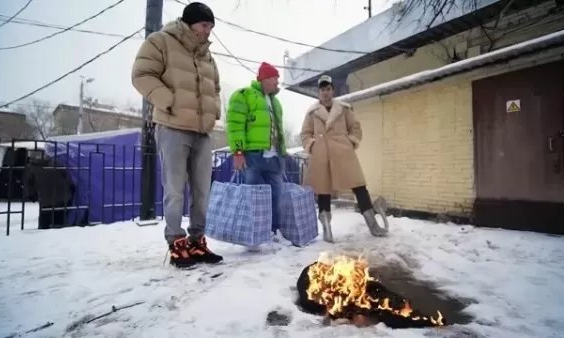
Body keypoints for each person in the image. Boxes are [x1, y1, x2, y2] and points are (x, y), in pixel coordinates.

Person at [131, 2, 223, 268]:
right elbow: (141, 74)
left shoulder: (207, 56)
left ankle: (197, 241)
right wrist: (168, 101)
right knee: (175, 189)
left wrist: (214, 111)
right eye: (205, 26)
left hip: (202, 132)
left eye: (210, 27)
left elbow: (215, 87)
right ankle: (176, 242)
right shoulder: (161, 41)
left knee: (202, 191)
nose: (208, 32)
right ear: (190, 23)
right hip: (172, 128)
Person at [300, 75, 389, 243]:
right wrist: (313, 146)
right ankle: (327, 228)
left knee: (359, 186)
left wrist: (350, 142)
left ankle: (372, 224)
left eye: (328, 89)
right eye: (322, 90)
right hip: (322, 154)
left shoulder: (344, 109)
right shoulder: (312, 113)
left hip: (343, 153)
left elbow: (355, 127)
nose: (325, 93)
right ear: (318, 93)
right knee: (323, 190)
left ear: (332, 90)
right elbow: (305, 134)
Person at [226, 62, 289, 246]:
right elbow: (235, 125)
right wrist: (238, 152)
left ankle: (273, 232)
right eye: (275, 79)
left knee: (276, 197)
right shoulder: (244, 95)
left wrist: (282, 153)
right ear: (265, 79)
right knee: (253, 198)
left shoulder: (275, 102)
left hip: (274, 158)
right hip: (253, 156)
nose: (277, 83)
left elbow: (278, 130)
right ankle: (254, 235)